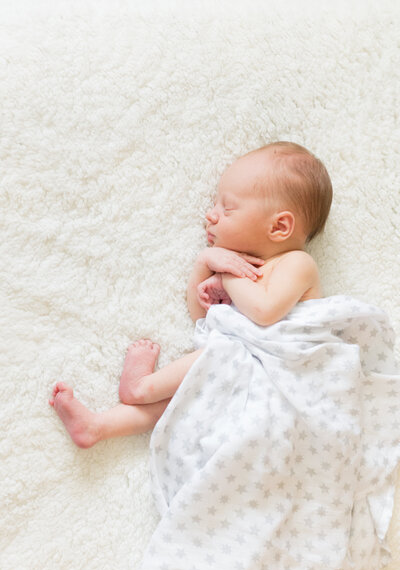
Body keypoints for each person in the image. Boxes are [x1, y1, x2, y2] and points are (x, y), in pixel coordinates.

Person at [49, 141, 332, 448]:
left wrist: (226, 272)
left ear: (279, 226)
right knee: (181, 399)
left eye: (227, 207)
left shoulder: (296, 264)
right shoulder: (242, 269)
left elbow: (264, 313)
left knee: (221, 355)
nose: (210, 215)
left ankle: (142, 388)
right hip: (241, 385)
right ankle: (98, 427)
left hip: (278, 384)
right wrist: (204, 263)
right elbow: (204, 323)